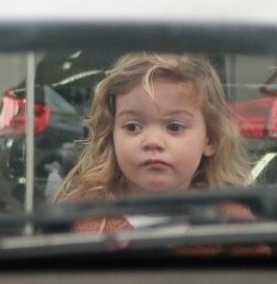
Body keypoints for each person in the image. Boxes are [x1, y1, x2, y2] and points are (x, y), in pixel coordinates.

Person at [53, 52, 261, 244]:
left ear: (211, 140)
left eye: (174, 127)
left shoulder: (234, 226)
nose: (153, 141)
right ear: (111, 135)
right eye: (132, 127)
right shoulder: (78, 220)